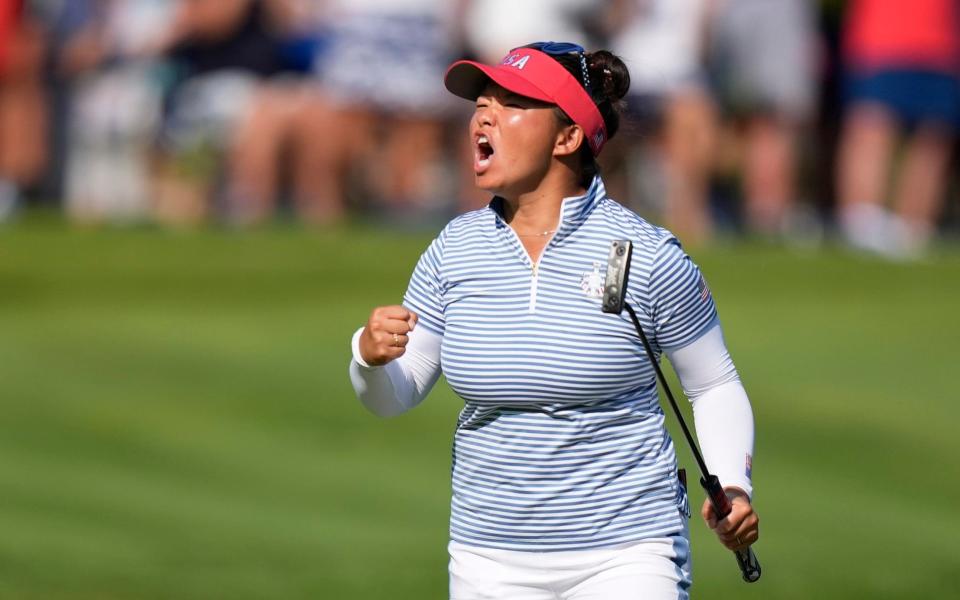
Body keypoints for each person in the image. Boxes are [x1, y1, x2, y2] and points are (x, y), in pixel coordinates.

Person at [348, 42, 758, 599]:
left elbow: (713, 383)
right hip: (487, 556)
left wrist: (732, 484)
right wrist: (369, 358)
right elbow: (394, 394)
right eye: (481, 103)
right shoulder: (454, 250)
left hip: (629, 550)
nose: (483, 116)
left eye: (511, 103)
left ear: (567, 137)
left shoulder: (648, 253)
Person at [835, 0, 960, 259]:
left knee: (934, 138)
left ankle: (913, 231)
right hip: (882, 39)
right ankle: (862, 224)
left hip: (943, 44)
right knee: (873, 126)